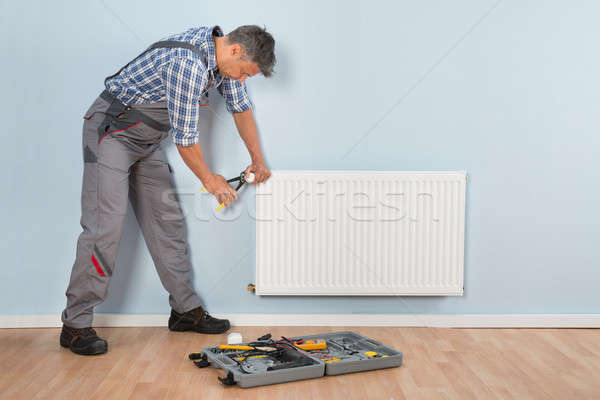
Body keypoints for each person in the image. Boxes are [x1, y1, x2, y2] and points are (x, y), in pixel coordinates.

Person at [60, 25, 275, 355]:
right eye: (246, 72)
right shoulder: (188, 64)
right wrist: (210, 179)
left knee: (168, 223)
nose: (243, 80)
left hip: (145, 141)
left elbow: (241, 109)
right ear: (235, 51)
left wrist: (257, 160)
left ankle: (185, 311)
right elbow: (186, 139)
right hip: (111, 132)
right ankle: (75, 325)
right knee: (105, 227)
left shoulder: (222, 61)